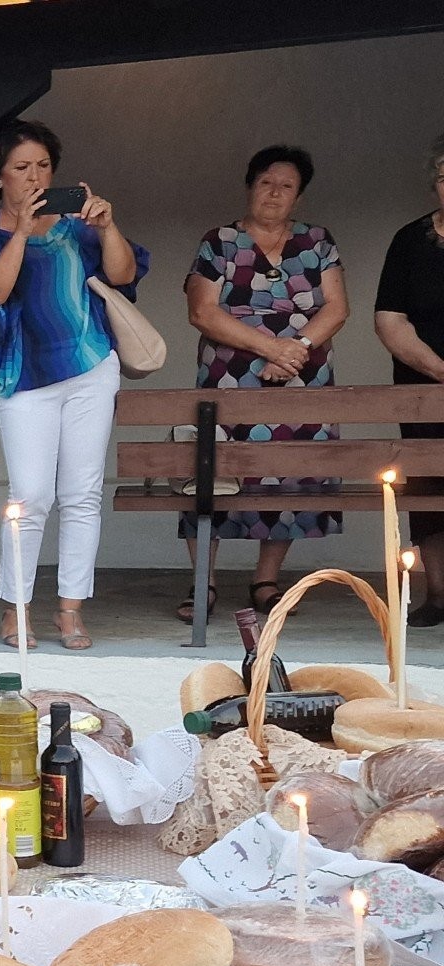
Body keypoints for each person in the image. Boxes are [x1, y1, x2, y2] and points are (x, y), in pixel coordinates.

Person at [0, 119, 147, 651]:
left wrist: (108, 227)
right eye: (22, 168)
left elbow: (125, 275)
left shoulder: (76, 226)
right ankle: (16, 609)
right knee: (31, 496)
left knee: (82, 495)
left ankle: (70, 609)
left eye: (44, 166)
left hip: (91, 367)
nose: (35, 176)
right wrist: (19, 232)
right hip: (25, 377)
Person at [178, 145, 349, 619]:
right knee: (211, 473)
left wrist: (296, 350)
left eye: (286, 186)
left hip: (302, 376)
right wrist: (271, 348)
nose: (274, 193)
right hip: (229, 378)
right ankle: (203, 585)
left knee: (288, 473)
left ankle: (266, 581)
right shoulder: (220, 241)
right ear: (251, 186)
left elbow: (337, 307)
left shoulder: (317, 241)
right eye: (265, 182)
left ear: (298, 196)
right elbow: (201, 311)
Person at [377, 134, 444, 625]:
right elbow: (390, 320)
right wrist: (441, 371)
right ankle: (439, 594)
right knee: (427, 489)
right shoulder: (410, 240)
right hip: (423, 386)